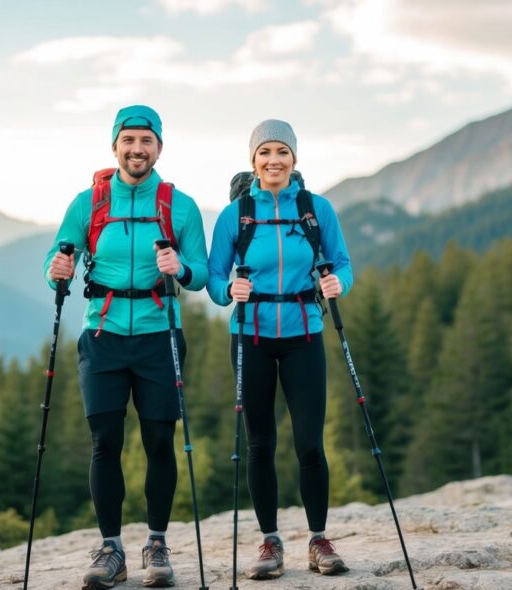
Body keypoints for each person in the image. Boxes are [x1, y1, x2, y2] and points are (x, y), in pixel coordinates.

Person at [44, 105, 209, 590]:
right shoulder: (88, 203)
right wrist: (56, 267)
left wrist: (179, 267)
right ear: (114, 145)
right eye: (129, 140)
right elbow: (58, 256)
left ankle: (156, 545)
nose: (137, 149)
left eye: (146, 141)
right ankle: (111, 548)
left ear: (159, 147)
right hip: (103, 338)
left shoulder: (179, 206)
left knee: (159, 442)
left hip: (161, 336)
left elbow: (200, 274)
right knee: (105, 444)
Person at [206, 119, 354, 580]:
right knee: (260, 444)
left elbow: (344, 264)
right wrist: (231, 289)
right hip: (249, 334)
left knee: (310, 443)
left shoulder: (316, 208)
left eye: (282, 152)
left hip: (304, 334)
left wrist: (337, 283)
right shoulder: (237, 213)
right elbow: (213, 279)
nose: (274, 160)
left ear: (294, 158)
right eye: (265, 152)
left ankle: (318, 539)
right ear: (253, 159)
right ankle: (269, 541)